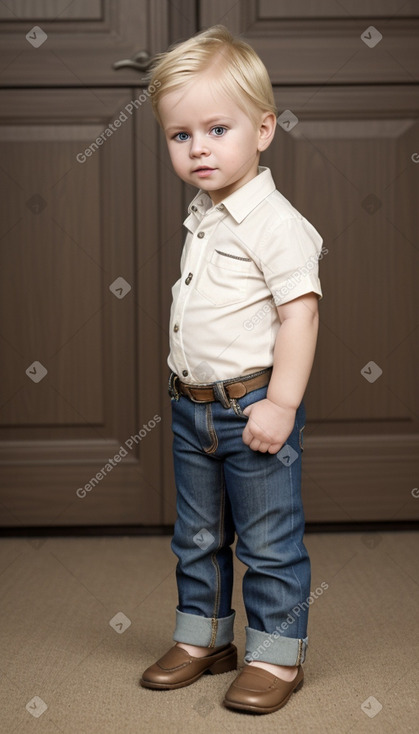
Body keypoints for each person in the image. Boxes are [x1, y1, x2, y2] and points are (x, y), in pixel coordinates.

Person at [140, 25, 324, 715]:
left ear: (264, 129)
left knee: (269, 541)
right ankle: (204, 638)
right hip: (191, 408)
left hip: (253, 407)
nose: (198, 148)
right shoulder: (206, 214)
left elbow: (298, 317)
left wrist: (279, 404)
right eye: (179, 135)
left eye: (217, 128)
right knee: (196, 534)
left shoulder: (275, 223)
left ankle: (275, 654)